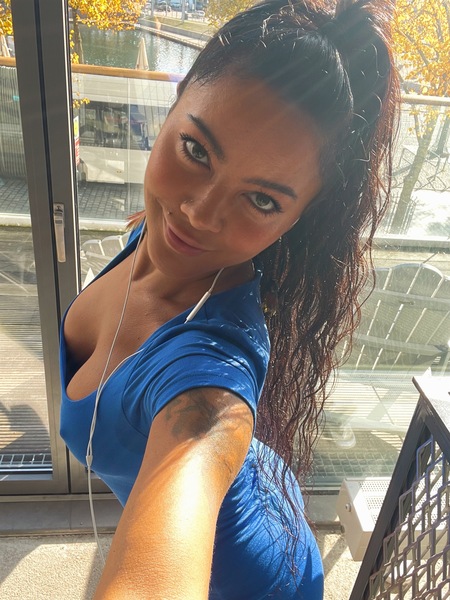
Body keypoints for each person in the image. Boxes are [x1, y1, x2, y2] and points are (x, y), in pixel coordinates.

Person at [60, 0, 400, 597]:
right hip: (267, 495)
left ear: (298, 219)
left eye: (262, 200)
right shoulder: (154, 234)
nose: (199, 212)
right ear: (175, 102)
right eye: (196, 151)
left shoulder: (208, 376)